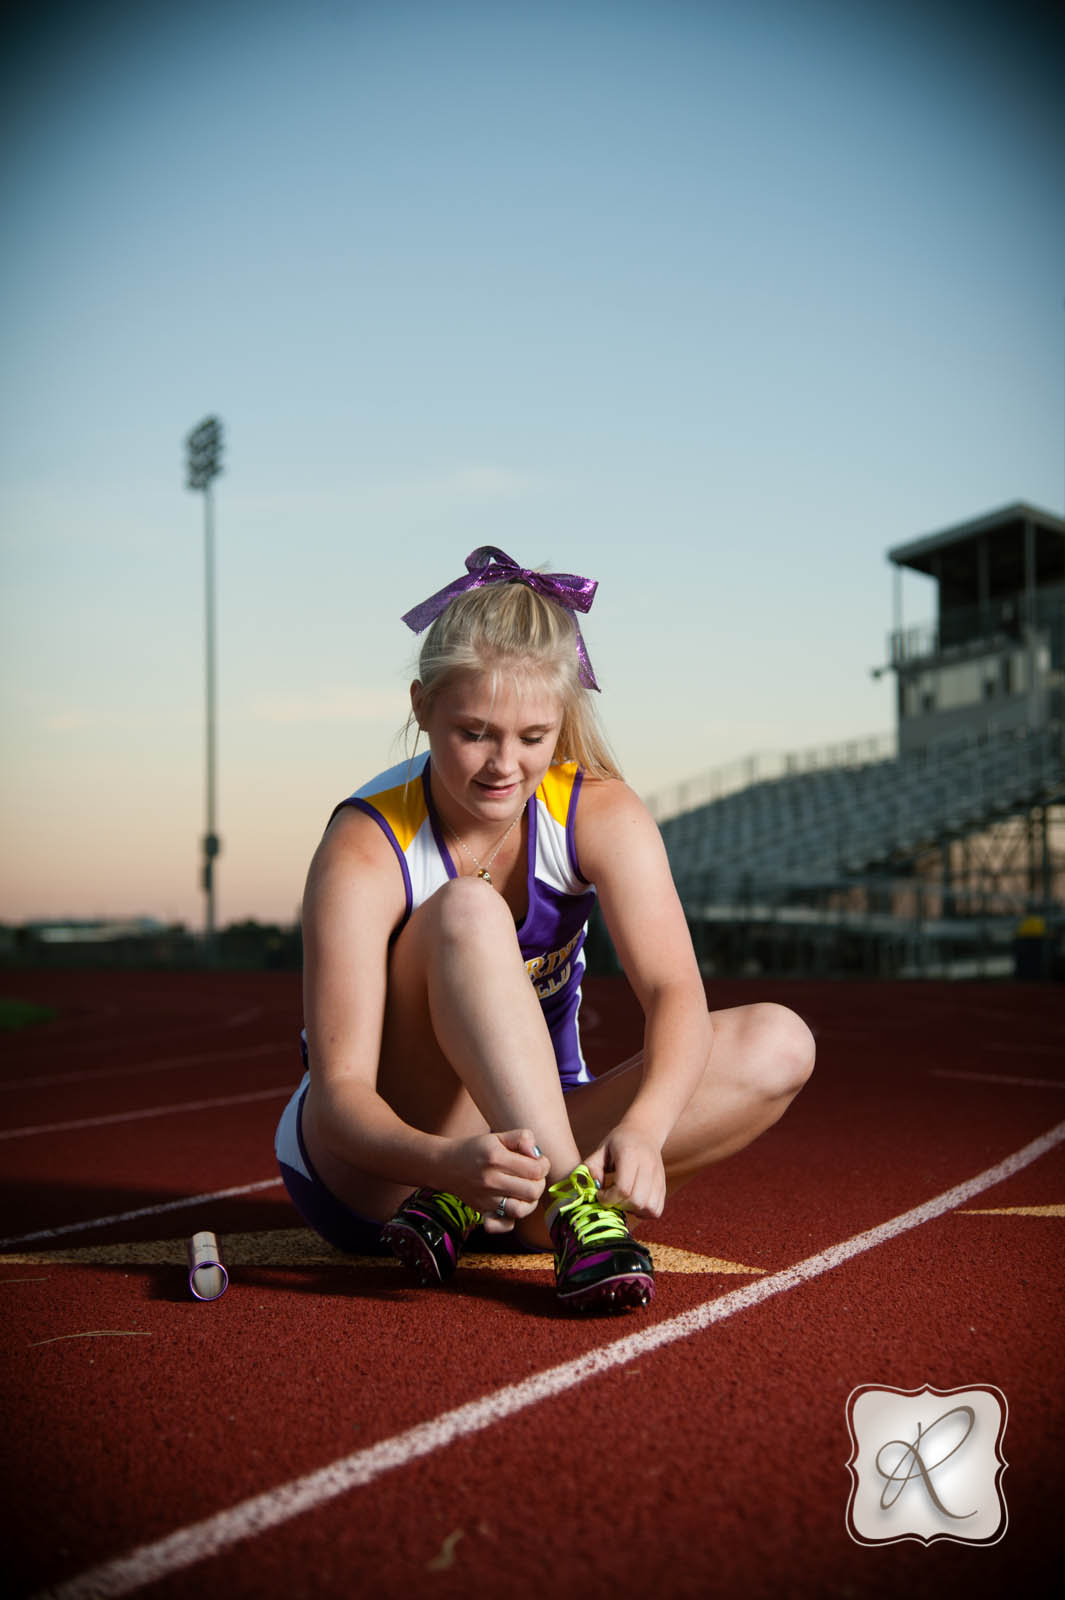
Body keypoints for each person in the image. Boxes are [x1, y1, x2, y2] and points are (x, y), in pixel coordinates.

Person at [275, 546, 814, 1314]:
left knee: (779, 1042)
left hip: (532, 1147)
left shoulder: (599, 812)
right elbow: (339, 1102)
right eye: (474, 732)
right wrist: (447, 1161)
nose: (504, 765)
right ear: (421, 705)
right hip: (383, 1169)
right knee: (467, 909)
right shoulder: (366, 845)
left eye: (533, 737)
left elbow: (673, 994)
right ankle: (561, 1209)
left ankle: (521, 1207)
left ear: (561, 721)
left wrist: (649, 1127)